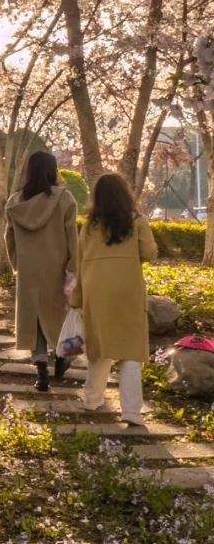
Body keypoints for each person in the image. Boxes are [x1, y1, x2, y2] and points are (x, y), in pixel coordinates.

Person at [70, 173, 158, 427]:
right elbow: (149, 253)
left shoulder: (89, 227)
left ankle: (92, 400)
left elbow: (79, 263)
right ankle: (131, 411)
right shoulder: (136, 221)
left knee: (99, 348)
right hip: (127, 290)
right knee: (130, 351)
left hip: (95, 290)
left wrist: (77, 298)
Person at [5, 151, 79, 394]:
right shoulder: (64, 198)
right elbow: (72, 235)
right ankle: (63, 357)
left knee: (34, 318)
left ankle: (40, 370)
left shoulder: (15, 202)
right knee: (60, 315)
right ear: (53, 170)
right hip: (56, 268)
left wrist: (17, 264)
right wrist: (73, 265)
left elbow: (9, 238)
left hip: (29, 270)